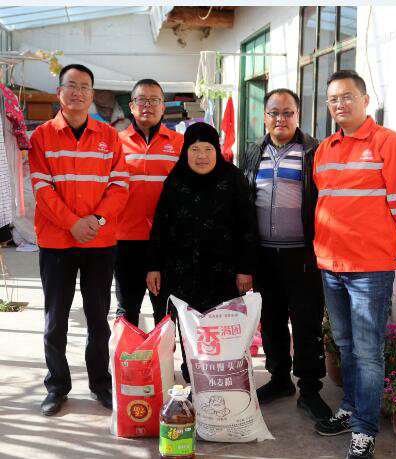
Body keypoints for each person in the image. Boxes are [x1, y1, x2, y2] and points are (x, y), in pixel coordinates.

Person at [313, 70, 396, 459]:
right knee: (345, 345)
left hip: (369, 269)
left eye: (347, 96)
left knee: (368, 352)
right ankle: (351, 408)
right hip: (331, 264)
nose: (339, 104)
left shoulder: (391, 144)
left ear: (365, 99)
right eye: (333, 99)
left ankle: (364, 431)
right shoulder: (325, 149)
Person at [29, 64, 129, 416]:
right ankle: (57, 386)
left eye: (85, 87)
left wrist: (95, 221)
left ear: (92, 95)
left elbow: (120, 186)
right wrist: (72, 223)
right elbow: (42, 188)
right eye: (71, 85)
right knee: (55, 320)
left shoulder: (109, 136)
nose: (78, 92)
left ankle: (100, 384)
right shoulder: (42, 136)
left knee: (98, 318)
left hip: (99, 243)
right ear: (60, 92)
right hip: (56, 242)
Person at [241, 88, 332, 422]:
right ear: (264, 116)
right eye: (274, 113)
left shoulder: (314, 151)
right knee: (271, 320)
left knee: (306, 322)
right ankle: (280, 379)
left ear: (298, 115)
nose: (280, 119)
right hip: (264, 255)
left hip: (303, 256)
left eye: (287, 112)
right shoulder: (253, 151)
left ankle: (309, 389)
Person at [146, 122, 255, 380]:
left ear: (217, 150)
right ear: (186, 151)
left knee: (220, 332)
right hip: (181, 274)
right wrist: (153, 266)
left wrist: (245, 268)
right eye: (195, 149)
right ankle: (192, 377)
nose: (201, 156)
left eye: (208, 149)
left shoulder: (233, 178)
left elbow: (248, 226)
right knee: (188, 329)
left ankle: (219, 382)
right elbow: (160, 226)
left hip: (224, 274)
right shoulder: (175, 180)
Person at [115, 79, 184, 327]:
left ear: (163, 106)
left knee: (165, 312)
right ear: (131, 106)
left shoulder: (179, 144)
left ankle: (163, 354)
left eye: (154, 100)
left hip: (167, 241)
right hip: (126, 239)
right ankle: (127, 353)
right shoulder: (116, 142)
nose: (148, 105)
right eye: (142, 100)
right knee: (127, 310)